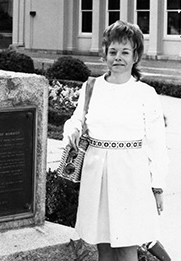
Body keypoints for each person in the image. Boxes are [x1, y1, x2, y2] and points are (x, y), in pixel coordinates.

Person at [63, 20, 168, 261]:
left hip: (130, 177)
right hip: (97, 174)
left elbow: (156, 144)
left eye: (125, 52)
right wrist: (73, 130)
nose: (117, 57)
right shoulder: (91, 87)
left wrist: (158, 187)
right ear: (105, 54)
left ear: (136, 56)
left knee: (126, 247)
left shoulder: (145, 93)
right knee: (104, 246)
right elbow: (76, 119)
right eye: (112, 51)